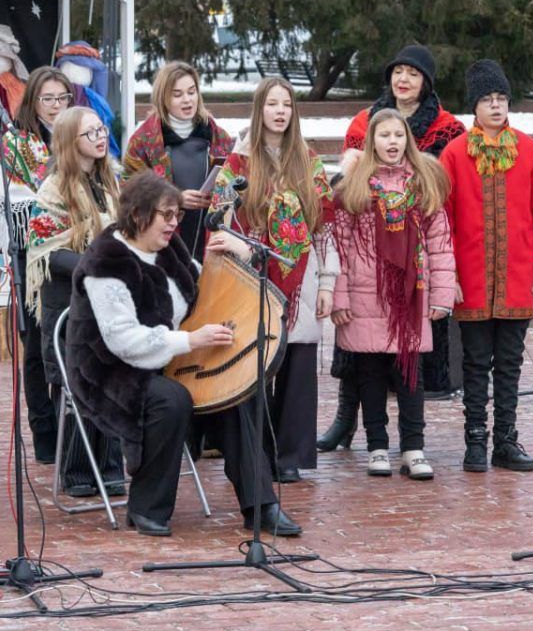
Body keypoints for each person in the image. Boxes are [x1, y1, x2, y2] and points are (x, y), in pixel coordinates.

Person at [65, 171, 302, 537]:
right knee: (171, 399)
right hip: (110, 372)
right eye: (167, 215)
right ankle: (146, 506)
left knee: (232, 389)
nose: (176, 223)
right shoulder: (107, 263)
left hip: (167, 357)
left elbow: (198, 287)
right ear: (139, 214)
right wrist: (191, 341)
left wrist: (231, 256)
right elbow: (123, 340)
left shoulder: (168, 248)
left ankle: (261, 506)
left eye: (177, 215)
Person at [320, 44, 467, 452]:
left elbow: (445, 200)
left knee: (409, 362)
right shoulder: (365, 122)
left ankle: (411, 442)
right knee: (358, 349)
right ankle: (347, 421)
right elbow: (341, 195)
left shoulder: (446, 129)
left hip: (413, 260)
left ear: (426, 82)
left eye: (413, 74)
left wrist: (446, 275)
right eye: (398, 71)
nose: (403, 80)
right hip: (367, 261)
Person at [206, 76, 338, 483]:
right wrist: (242, 246)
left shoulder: (309, 161)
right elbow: (220, 220)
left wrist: (328, 281)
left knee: (298, 363)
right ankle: (256, 453)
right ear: (259, 109)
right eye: (272, 104)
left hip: (302, 274)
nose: (280, 111)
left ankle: (290, 456)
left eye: (287, 105)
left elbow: (325, 228)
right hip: (254, 276)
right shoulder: (239, 162)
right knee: (258, 362)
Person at [440, 60, 533, 473]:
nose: (495, 106)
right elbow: (445, 219)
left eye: (501, 99)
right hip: (469, 279)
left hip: (517, 277)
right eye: (487, 99)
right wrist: (447, 275)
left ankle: (506, 440)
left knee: (509, 363)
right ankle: (476, 439)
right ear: (474, 105)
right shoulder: (455, 154)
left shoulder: (529, 150)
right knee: (474, 363)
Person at [330, 109, 455, 479]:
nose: (392, 142)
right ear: (371, 142)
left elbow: (440, 244)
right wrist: (340, 298)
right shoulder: (355, 187)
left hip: (410, 296)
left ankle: (413, 447)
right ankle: (377, 446)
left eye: (398, 135)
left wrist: (442, 295)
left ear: (408, 141)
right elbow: (340, 247)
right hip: (366, 296)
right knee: (370, 375)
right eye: (384, 135)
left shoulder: (422, 185)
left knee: (410, 376)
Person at [26, 106, 125, 497]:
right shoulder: (54, 189)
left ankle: (111, 465)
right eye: (90, 133)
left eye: (102, 129)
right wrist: (96, 264)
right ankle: (80, 472)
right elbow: (44, 251)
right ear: (70, 142)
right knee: (80, 386)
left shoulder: (111, 183)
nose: (100, 137)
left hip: (110, 302)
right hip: (70, 303)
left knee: (115, 380)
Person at [0, 66, 74, 464]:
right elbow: (6, 205)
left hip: (73, 253)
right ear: (32, 103)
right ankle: (44, 432)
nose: (55, 106)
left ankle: (74, 432)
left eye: (62, 98)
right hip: (32, 255)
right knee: (36, 345)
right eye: (47, 99)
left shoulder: (78, 140)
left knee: (69, 339)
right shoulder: (18, 146)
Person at [122, 61, 234, 262]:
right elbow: (129, 194)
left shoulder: (219, 137)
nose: (187, 100)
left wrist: (219, 196)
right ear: (163, 98)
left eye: (191, 92)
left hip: (210, 242)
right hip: (162, 249)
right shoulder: (143, 141)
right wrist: (175, 199)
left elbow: (238, 186)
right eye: (177, 94)